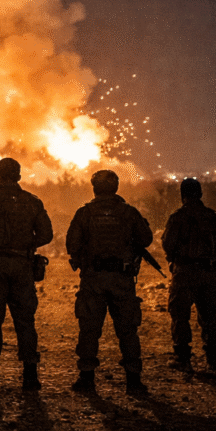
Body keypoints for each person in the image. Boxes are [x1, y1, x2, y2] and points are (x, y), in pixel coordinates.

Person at [0, 158, 53, 392]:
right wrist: (26, 245)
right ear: (19, 176)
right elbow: (46, 234)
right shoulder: (32, 202)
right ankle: (30, 377)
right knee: (25, 321)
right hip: (23, 267)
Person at [66, 169, 154, 395]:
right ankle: (133, 380)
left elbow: (72, 245)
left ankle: (86, 378)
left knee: (89, 329)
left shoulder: (85, 213)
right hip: (122, 280)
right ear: (116, 187)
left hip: (93, 279)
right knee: (127, 330)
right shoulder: (129, 213)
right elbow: (146, 239)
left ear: (94, 187)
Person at [162, 177, 216, 373]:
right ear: (200, 194)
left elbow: (168, 244)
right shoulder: (214, 217)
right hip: (208, 274)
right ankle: (212, 360)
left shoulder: (177, 217)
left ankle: (182, 359)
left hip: (184, 274)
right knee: (209, 317)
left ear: (182, 195)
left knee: (180, 316)